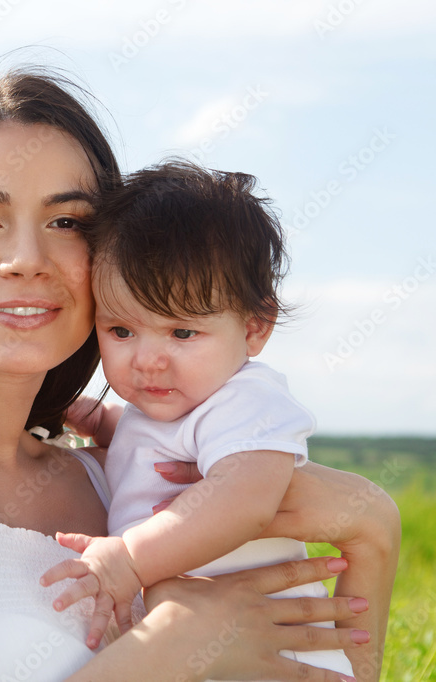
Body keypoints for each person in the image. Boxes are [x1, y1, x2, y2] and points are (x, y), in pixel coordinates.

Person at [0, 69, 399, 681]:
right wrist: (172, 648)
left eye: (67, 222)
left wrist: (374, 525)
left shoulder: (117, 477)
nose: (25, 259)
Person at [41, 161, 356, 675]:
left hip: (276, 650)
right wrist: (103, 421)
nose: (147, 360)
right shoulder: (177, 403)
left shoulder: (248, 399)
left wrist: (131, 559)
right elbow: (160, 445)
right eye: (121, 331)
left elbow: (246, 499)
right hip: (213, 641)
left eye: (182, 333)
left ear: (254, 328)